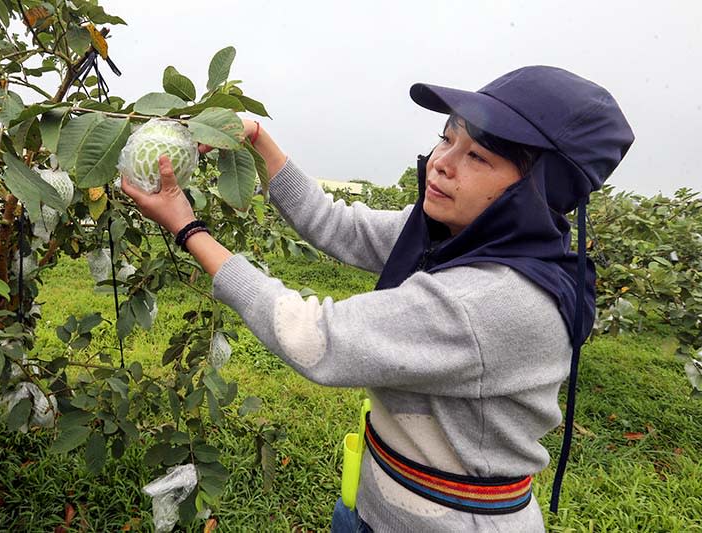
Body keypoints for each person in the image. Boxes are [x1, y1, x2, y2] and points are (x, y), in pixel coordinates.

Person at [123, 66, 634, 532]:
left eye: (477, 156)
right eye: (446, 139)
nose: (441, 164)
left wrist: (188, 227)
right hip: (382, 502)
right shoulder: (460, 235)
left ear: (538, 190)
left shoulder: (493, 298)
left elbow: (314, 338)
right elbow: (336, 224)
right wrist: (257, 138)